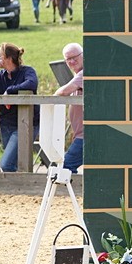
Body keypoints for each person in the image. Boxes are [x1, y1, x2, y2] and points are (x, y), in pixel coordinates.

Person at [0, 43, 39, 172]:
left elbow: (31, 84)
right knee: (14, 164)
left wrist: (10, 90)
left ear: (8, 58)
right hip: (7, 123)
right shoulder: (0, 76)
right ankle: (20, 189)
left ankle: (15, 188)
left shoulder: (27, 71)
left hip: (27, 123)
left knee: (6, 164)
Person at [55, 43, 84, 173]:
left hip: (87, 135)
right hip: (81, 134)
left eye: (75, 57)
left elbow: (63, 91)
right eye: (68, 59)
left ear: (83, 56)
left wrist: (52, 98)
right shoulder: (78, 75)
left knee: (66, 167)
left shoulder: (85, 73)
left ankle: (70, 193)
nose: (72, 61)